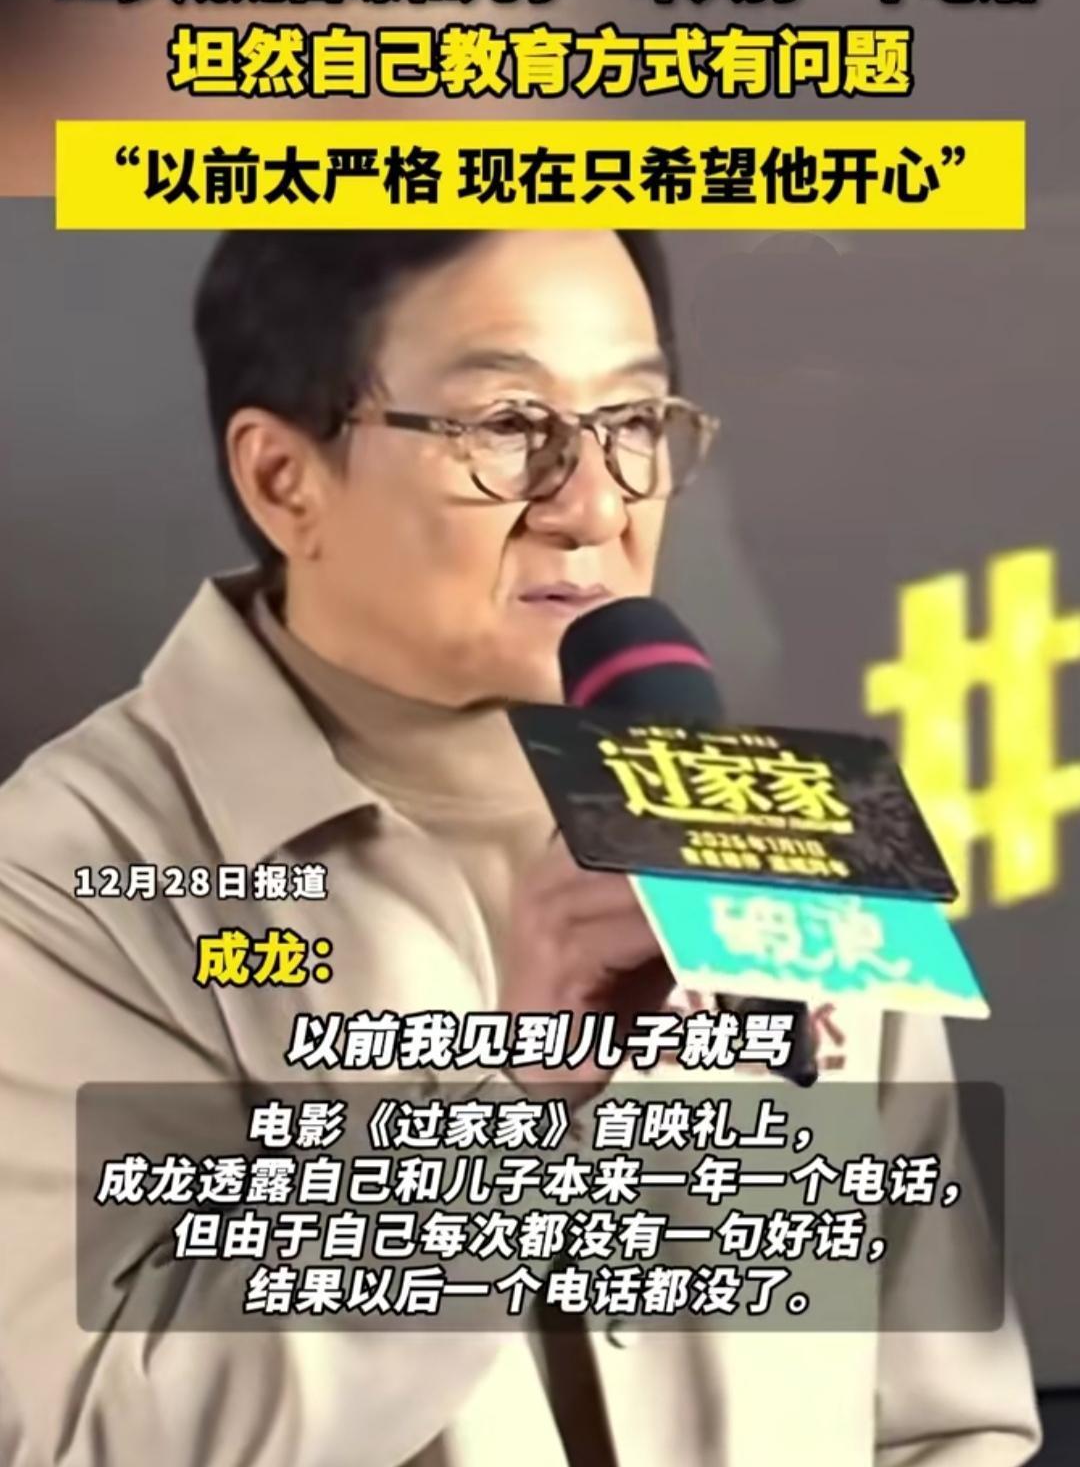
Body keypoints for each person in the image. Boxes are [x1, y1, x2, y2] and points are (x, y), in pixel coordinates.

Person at [0, 228, 1041, 1466]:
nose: (596, 505)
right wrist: (511, 1108)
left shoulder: (774, 813)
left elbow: (948, 1417)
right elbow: (93, 1434)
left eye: (634, 420)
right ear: (286, 479)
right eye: (507, 426)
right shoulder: (67, 874)